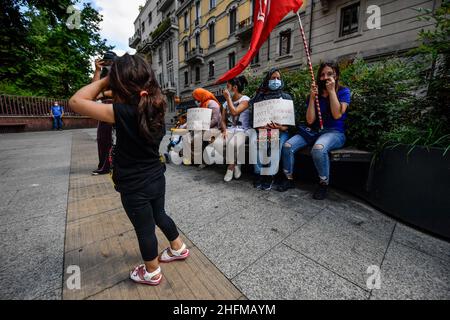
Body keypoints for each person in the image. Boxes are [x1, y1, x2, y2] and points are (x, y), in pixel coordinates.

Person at [69, 53, 189, 286]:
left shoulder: (120, 113)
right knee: (159, 215)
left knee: (144, 228)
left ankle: (152, 271)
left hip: (135, 185)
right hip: (156, 176)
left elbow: (75, 102)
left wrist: (106, 80)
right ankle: (178, 248)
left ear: (119, 83)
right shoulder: (156, 105)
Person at [276, 61, 351, 200]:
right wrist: (311, 98)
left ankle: (323, 183)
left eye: (330, 74)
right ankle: (289, 178)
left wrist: (331, 91)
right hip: (313, 131)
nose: (325, 77)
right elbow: (310, 121)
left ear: (336, 75)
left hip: (334, 132)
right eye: (322, 75)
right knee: (287, 146)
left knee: (318, 149)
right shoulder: (315, 94)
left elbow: (337, 114)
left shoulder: (344, 91)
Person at [249, 68, 292, 190]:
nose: (276, 80)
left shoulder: (286, 97)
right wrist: (259, 126)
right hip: (263, 129)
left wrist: (281, 127)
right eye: (273, 78)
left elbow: (291, 121)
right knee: (259, 143)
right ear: (267, 80)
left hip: (281, 130)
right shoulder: (260, 98)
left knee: (274, 144)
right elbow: (254, 119)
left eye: (278, 78)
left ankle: (270, 175)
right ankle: (258, 173)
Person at [206, 76, 250, 182]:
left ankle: (230, 168)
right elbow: (223, 120)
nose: (225, 89)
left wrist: (228, 98)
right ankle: (235, 164)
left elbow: (235, 112)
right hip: (230, 130)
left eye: (228, 86)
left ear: (234, 87)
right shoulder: (225, 104)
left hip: (242, 130)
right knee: (217, 143)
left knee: (231, 144)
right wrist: (224, 130)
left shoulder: (245, 99)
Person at [91, 51, 117, 176]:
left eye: (110, 61)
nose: (108, 64)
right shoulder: (102, 73)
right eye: (106, 61)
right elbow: (93, 89)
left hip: (119, 105)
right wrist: (97, 70)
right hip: (105, 106)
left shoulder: (120, 72)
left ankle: (120, 163)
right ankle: (104, 165)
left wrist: (104, 93)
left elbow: (124, 90)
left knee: (125, 136)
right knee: (103, 137)